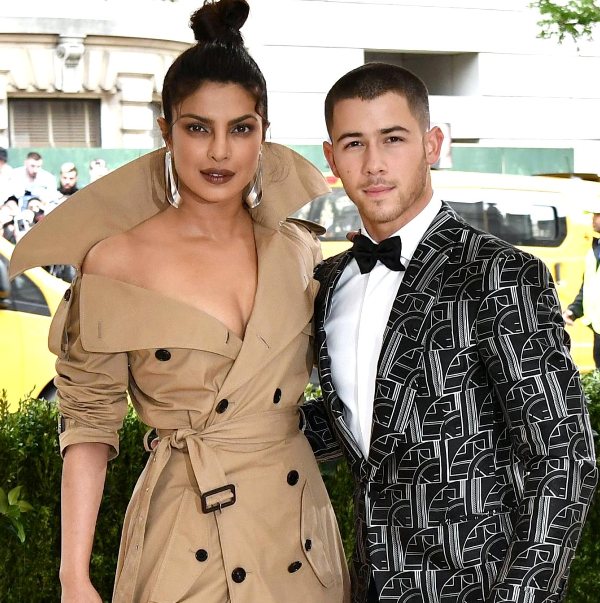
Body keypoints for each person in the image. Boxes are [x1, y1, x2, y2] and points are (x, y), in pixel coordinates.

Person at [9, 1, 349, 602]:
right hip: (184, 534)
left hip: (297, 536)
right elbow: (88, 424)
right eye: (197, 128)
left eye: (240, 128)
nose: (220, 152)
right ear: (165, 131)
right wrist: (73, 576)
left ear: (263, 132)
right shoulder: (115, 261)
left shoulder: (297, 249)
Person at [302, 62, 598, 603]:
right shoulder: (330, 283)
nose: (373, 163)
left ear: (432, 144)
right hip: (370, 585)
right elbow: (359, 421)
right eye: (354, 143)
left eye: (393, 139)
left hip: (483, 587)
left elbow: (563, 457)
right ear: (331, 158)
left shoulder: (501, 274)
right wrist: (216, 431)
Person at [563, 208, 600, 369]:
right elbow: (589, 285)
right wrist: (574, 310)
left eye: (597, 215)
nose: (592, 219)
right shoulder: (595, 248)